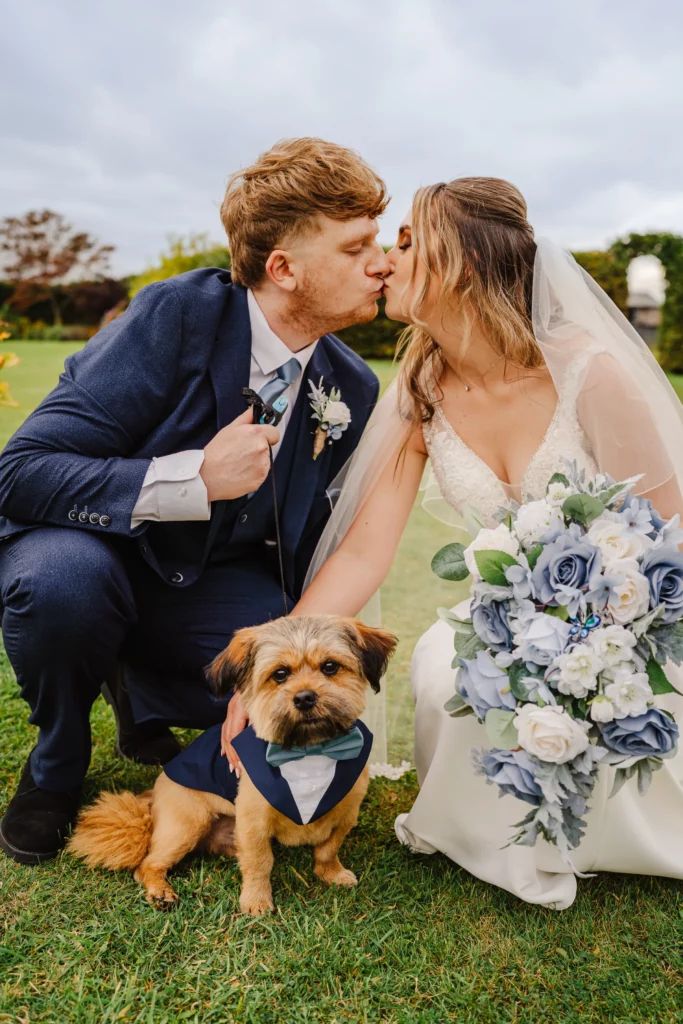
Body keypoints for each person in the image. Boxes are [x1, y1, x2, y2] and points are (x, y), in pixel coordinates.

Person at [227, 176, 683, 909]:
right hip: (500, 615)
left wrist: (598, 634)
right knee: (448, 672)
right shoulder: (420, 385)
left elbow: (669, 533)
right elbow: (364, 550)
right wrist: (268, 661)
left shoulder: (587, 374)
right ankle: (489, 825)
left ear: (462, 263)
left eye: (404, 242)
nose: (384, 262)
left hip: (627, 614)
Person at [0, 137, 390, 865]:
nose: (382, 263)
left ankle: (138, 698)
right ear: (283, 269)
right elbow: (21, 471)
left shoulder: (353, 387)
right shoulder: (175, 314)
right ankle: (57, 760)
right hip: (94, 551)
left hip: (212, 578)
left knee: (269, 704)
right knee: (64, 586)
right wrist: (195, 481)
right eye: (356, 246)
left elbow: (317, 540)